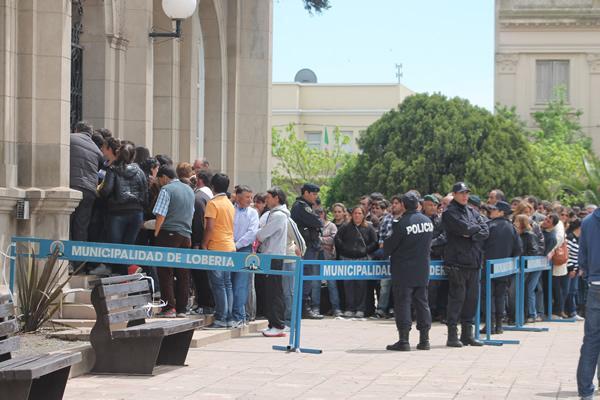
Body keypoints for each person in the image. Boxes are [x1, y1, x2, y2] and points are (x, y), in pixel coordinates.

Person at [384, 192, 434, 351]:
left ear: (404, 205)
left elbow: (389, 246)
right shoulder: (427, 221)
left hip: (404, 270)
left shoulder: (402, 223)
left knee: (403, 303)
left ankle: (404, 341)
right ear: (418, 204)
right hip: (422, 269)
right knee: (422, 303)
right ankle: (424, 340)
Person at [442, 182, 489, 347]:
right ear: (454, 194)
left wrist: (471, 233)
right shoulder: (449, 213)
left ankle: (467, 335)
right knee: (457, 299)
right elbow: (464, 228)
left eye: (466, 193)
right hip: (457, 262)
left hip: (474, 261)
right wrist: (471, 231)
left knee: (471, 300)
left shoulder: (472, 211)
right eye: (461, 193)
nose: (464, 196)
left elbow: (485, 230)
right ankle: (452, 335)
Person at [98, 143, 149, 275]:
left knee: (116, 249)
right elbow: (145, 194)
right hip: (136, 213)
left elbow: (106, 190)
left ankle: (123, 273)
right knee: (128, 247)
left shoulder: (113, 170)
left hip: (117, 212)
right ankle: (127, 272)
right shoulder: (140, 172)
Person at [153, 165, 195, 318]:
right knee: (183, 273)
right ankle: (183, 309)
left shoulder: (166, 190)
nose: (158, 181)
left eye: (159, 178)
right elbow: (191, 214)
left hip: (169, 233)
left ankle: (169, 308)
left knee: (165, 272)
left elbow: (161, 215)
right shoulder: (189, 190)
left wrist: (157, 233)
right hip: (185, 235)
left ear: (164, 177)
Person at [481, 201, 522, 334]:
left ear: (501, 212)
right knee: (500, 296)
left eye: (494, 209)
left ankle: (489, 325)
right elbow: (518, 249)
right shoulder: (512, 228)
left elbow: (480, 246)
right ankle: (499, 326)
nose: (490, 211)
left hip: (488, 266)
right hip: (504, 268)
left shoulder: (489, 226)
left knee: (488, 297)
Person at [202, 173, 236, 329]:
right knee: (227, 283)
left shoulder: (213, 203)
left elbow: (209, 227)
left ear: (212, 187)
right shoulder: (229, 203)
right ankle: (228, 317)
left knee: (218, 285)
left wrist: (204, 244)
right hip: (230, 246)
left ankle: (221, 317)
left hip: (216, 247)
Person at [256, 187, 290, 337]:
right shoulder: (276, 214)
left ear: (277, 198)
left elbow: (262, 234)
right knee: (271, 291)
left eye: (269, 197)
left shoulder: (279, 215)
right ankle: (273, 324)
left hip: (274, 256)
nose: (267, 200)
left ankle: (278, 324)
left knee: (275, 292)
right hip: (270, 256)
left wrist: (258, 231)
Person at [334, 206, 378, 318]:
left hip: (362, 260)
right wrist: (345, 249)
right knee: (348, 285)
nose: (357, 215)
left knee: (361, 285)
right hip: (347, 259)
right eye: (355, 213)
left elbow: (375, 242)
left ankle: (360, 309)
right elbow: (337, 239)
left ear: (363, 215)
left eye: (359, 213)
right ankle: (349, 308)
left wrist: (365, 250)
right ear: (352, 214)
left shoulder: (369, 227)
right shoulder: (345, 227)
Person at [576, 205, 600, 399]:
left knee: (591, 339)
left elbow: (581, 257)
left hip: (595, 284)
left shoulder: (588, 222)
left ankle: (585, 391)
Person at [291, 183, 324, 319]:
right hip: (306, 247)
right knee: (305, 277)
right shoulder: (301, 206)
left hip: (310, 246)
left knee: (308, 277)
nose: (315, 197)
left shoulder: (306, 206)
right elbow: (318, 222)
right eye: (313, 194)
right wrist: (317, 220)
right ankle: (303, 308)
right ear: (306, 193)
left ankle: (304, 306)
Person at [70, 121, 104, 243]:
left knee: (67, 221)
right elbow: (100, 169)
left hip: (73, 186)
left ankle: (65, 258)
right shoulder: (97, 150)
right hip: (89, 190)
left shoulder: (69, 139)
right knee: (81, 225)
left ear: (76, 130)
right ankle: (79, 260)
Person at [233, 185, 259, 326]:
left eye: (251, 197)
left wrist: (236, 245)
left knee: (241, 285)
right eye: (247, 197)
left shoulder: (253, 213)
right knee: (228, 283)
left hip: (243, 250)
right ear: (237, 196)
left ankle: (239, 316)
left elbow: (252, 233)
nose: (250, 200)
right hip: (228, 248)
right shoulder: (230, 209)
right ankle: (230, 314)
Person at [374, 195, 404, 318]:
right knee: (385, 284)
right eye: (393, 203)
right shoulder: (386, 219)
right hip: (388, 256)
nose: (394, 205)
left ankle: (397, 309)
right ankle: (381, 309)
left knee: (400, 285)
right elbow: (381, 241)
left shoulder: (407, 219)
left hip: (403, 257)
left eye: (397, 203)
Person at [190, 169, 214, 316]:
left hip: (200, 243)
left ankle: (205, 305)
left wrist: (198, 243)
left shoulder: (198, 198)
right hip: (211, 242)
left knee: (200, 277)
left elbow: (198, 223)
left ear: (199, 180)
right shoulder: (210, 197)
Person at [317, 207, 341, 317]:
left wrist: (320, 239)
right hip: (317, 259)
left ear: (325, 214)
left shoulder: (331, 226)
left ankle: (336, 308)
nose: (319, 215)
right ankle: (315, 307)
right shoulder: (313, 225)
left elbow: (333, 239)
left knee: (332, 285)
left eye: (321, 212)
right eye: (317, 213)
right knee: (315, 284)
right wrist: (325, 240)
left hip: (329, 259)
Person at [566, 218, 584, 320]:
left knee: (574, 291)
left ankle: (573, 311)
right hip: (571, 270)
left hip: (577, 269)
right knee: (570, 291)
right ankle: (571, 312)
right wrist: (571, 268)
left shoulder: (578, 238)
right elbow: (567, 255)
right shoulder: (570, 237)